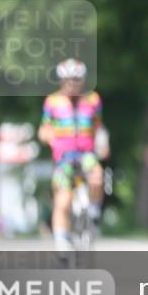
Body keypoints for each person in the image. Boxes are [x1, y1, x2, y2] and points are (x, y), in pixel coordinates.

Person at [37, 58, 104, 252]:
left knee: (97, 176)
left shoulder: (93, 99)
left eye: (76, 80)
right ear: (61, 81)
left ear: (82, 80)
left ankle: (94, 213)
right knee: (63, 201)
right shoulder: (52, 101)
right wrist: (48, 136)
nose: (71, 84)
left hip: (87, 153)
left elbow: (98, 127)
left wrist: (103, 144)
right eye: (67, 80)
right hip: (64, 157)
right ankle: (61, 240)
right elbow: (44, 128)